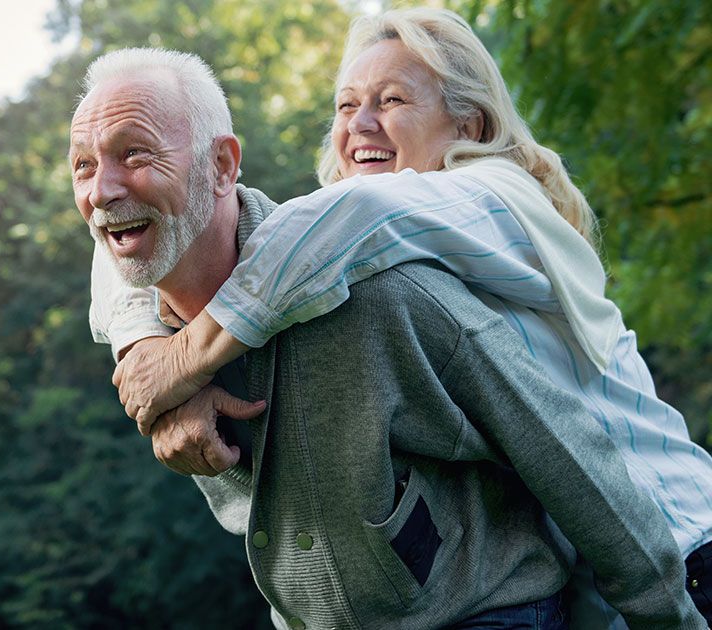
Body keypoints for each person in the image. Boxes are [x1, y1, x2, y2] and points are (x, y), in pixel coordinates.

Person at [91, 8, 712, 627]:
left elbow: (345, 218)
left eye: (390, 101)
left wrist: (183, 360)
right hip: (594, 565)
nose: (361, 123)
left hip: (674, 539)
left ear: (467, 121)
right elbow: (120, 238)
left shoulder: (494, 196)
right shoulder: (341, 247)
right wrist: (142, 344)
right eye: (344, 106)